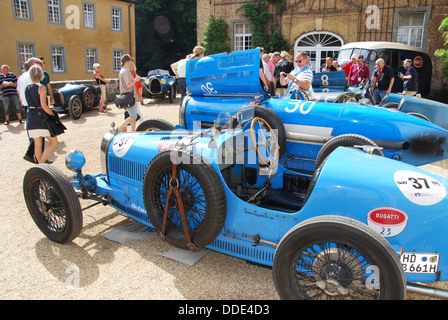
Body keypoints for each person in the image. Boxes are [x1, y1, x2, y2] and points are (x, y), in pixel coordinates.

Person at [25, 65, 58, 164]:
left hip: (31, 117)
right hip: (40, 118)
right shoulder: (41, 87)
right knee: (53, 141)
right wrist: (52, 113)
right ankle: (41, 165)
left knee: (37, 144)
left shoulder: (27, 88)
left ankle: (41, 168)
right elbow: (44, 105)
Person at [117, 54, 140, 132]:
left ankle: (133, 132)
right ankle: (119, 128)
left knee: (133, 116)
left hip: (126, 95)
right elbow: (128, 85)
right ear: (127, 61)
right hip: (129, 95)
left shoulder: (122, 70)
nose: (131, 63)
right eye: (130, 61)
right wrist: (136, 80)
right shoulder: (126, 71)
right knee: (133, 117)